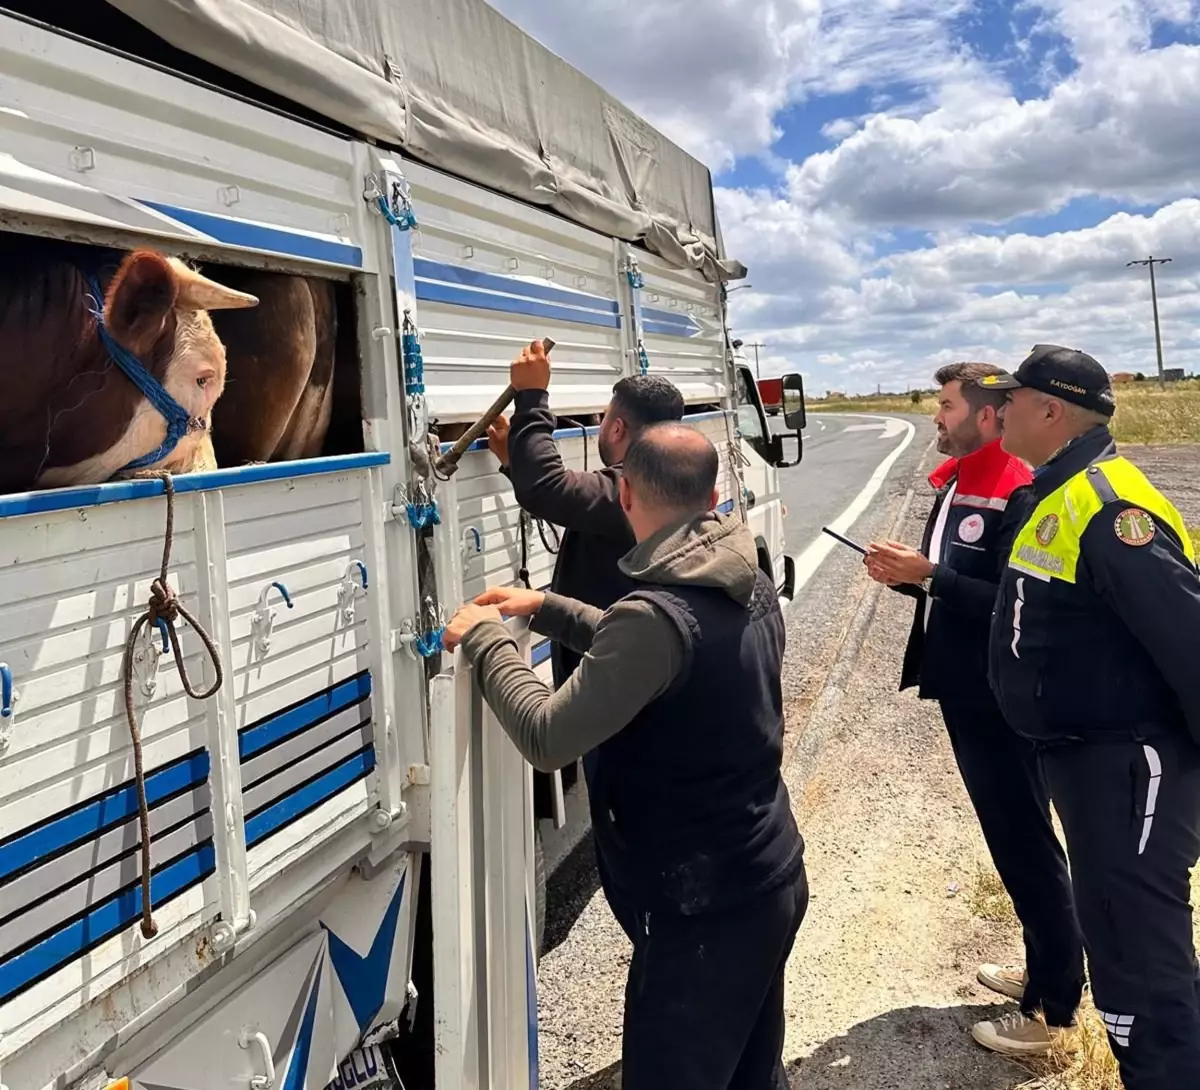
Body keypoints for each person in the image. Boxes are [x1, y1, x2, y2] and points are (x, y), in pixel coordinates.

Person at [445, 423, 807, 1090]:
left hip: (703, 915)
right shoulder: (743, 574)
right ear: (712, 497)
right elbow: (652, 652)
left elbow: (548, 735)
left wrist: (489, 641)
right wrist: (549, 608)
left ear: (627, 493)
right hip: (765, 878)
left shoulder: (655, 617)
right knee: (751, 1075)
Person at [985, 345, 1200, 1090]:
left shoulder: (1110, 508)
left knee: (1138, 962)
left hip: (1129, 767)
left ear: (1051, 410)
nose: (1001, 409)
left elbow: (1188, 640)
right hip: (1089, 761)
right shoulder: (1061, 488)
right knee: (1121, 942)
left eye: (1012, 398)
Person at [864, 362, 1085, 1057]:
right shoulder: (962, 479)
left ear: (987, 416)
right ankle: (1044, 967)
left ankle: (1052, 1010)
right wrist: (911, 578)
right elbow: (957, 579)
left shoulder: (1016, 488)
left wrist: (931, 577)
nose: (936, 416)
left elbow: (1015, 604)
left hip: (999, 697)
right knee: (1013, 837)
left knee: (1025, 842)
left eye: (947, 405)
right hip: (968, 688)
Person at [487, 340, 685, 937]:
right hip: (635, 692)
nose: (600, 426)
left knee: (629, 832)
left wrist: (532, 397)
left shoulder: (631, 491)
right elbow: (568, 504)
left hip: (619, 707)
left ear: (618, 429)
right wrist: (514, 463)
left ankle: (654, 931)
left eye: (603, 419)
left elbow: (552, 490)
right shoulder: (661, 492)